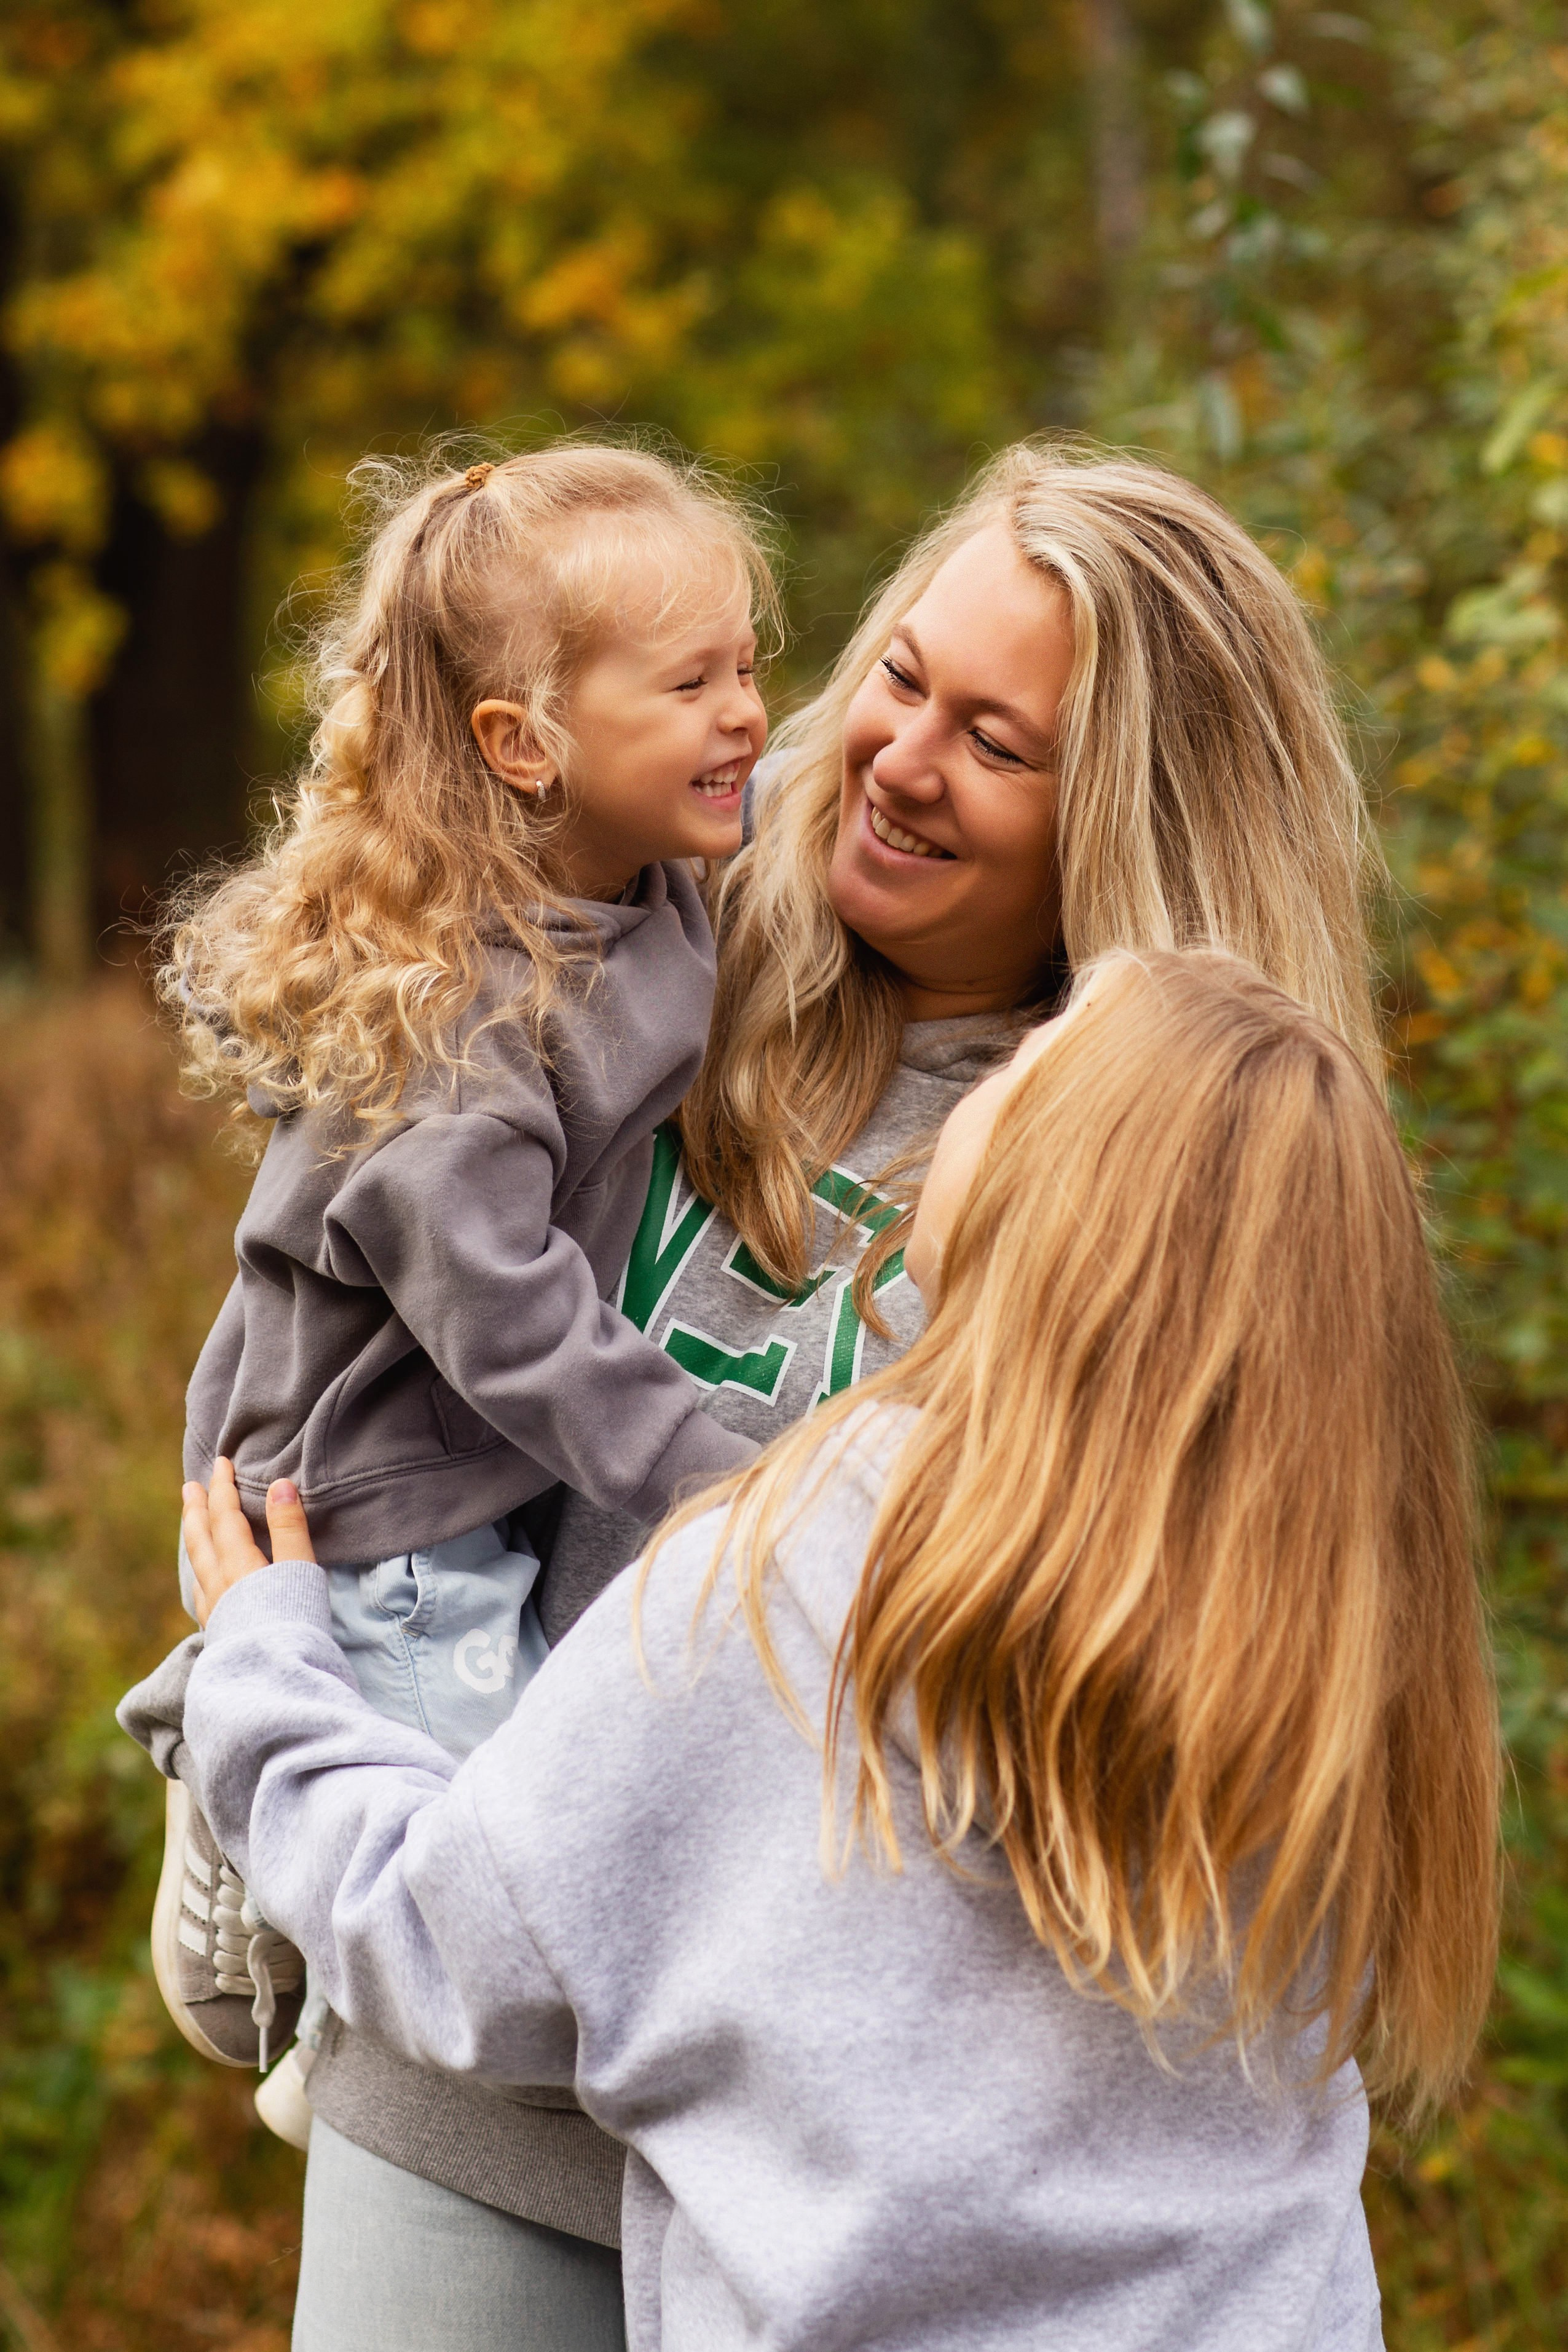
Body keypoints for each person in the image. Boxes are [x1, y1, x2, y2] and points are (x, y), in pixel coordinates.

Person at [131, 439, 1389, 2348]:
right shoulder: (674, 943)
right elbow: (374, 1309)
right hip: (480, 2073)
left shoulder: (1149, 1192)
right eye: (897, 675)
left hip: (811, 2154)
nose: (894, 753)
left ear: (1125, 817)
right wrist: (266, 1698)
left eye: (998, 739)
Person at [178, 947, 1502, 2352]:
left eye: (1026, 1066)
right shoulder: (1333, 1641)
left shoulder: (822, 1550)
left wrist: (266, 1673)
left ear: (1070, 1195)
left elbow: (446, 1937)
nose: (979, 1085)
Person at [117, 440, 774, 2097]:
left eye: (753, 663)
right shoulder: (462, 1025)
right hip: (382, 1506)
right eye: (693, 681)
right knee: (474, 1871)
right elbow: (520, 1328)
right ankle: (264, 1895)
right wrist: (729, 1481)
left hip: (483, 1485)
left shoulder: (659, 877)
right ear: (524, 742)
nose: (751, 714)